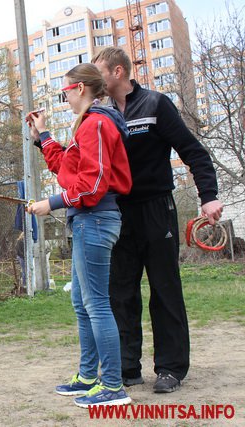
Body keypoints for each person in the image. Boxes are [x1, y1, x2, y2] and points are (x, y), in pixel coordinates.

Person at [92, 47, 224, 393]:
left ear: (118, 72)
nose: (96, 80)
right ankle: (126, 367)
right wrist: (40, 140)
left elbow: (193, 151)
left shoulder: (154, 104)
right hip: (118, 213)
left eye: (99, 72)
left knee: (164, 290)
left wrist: (207, 196)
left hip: (156, 209)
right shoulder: (100, 114)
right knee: (121, 292)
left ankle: (170, 368)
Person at [26, 63, 133, 407]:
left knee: (97, 304)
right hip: (87, 219)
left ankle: (113, 386)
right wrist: (42, 136)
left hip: (95, 219)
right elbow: (68, 169)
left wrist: (52, 203)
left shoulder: (97, 123)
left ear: (81, 89)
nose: (64, 98)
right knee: (82, 303)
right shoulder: (87, 125)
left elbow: (94, 184)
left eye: (65, 92)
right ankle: (88, 376)